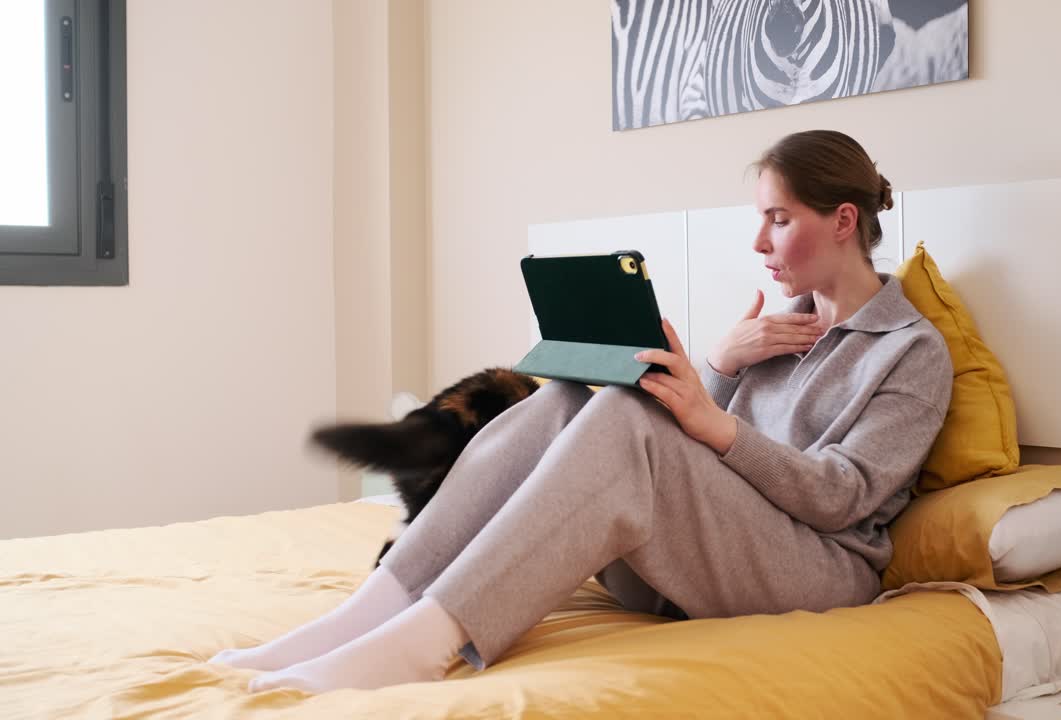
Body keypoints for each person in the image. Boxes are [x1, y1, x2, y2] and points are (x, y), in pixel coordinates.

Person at [210, 129, 954, 693]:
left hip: (817, 572)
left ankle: (426, 639)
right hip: (702, 557)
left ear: (844, 221)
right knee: (572, 395)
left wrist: (714, 419)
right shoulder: (771, 329)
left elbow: (842, 497)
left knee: (629, 423)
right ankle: (373, 608)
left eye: (779, 219)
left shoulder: (911, 353)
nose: (759, 241)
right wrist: (722, 365)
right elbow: (711, 461)